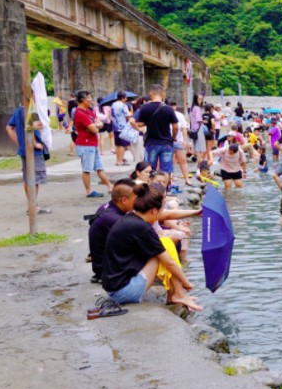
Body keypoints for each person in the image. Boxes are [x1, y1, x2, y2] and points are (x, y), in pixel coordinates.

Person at [101, 183, 202, 311]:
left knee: (163, 245)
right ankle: (178, 295)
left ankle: (176, 295)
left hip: (114, 287)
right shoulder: (142, 227)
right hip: (124, 292)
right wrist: (186, 282)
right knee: (164, 249)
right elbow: (169, 263)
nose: (161, 215)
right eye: (160, 211)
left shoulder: (131, 219)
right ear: (154, 210)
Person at [87, 179, 136, 284]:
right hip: (108, 272)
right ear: (124, 200)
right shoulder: (114, 218)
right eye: (136, 199)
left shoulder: (107, 207)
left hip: (103, 265)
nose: (138, 202)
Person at [6, 100, 50, 213]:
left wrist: (20, 144)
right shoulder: (31, 109)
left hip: (24, 150)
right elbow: (30, 126)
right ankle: (33, 206)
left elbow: (9, 128)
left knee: (28, 178)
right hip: (34, 151)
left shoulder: (19, 110)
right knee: (34, 179)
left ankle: (32, 205)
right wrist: (34, 143)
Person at [73, 90, 114, 198]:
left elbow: (98, 123)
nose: (91, 100)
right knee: (87, 169)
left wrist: (97, 125)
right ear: (83, 100)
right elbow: (95, 129)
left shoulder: (88, 111)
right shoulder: (80, 113)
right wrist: (96, 126)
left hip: (92, 143)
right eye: (89, 98)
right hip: (85, 144)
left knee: (99, 167)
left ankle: (110, 186)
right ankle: (89, 191)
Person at [131, 84, 177, 178]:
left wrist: (144, 125)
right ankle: (163, 191)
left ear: (151, 93)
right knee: (166, 170)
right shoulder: (168, 109)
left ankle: (151, 190)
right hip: (166, 142)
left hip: (151, 143)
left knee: (149, 169)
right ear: (163, 94)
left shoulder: (144, 108)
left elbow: (139, 123)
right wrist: (174, 137)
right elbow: (175, 126)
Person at [169, 99, 192, 187]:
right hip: (168, 141)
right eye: (171, 105)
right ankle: (171, 179)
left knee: (183, 160)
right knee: (169, 161)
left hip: (179, 140)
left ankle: (187, 179)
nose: (173, 107)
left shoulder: (180, 115)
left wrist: (185, 140)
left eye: (174, 105)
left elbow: (184, 128)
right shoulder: (165, 114)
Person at [111, 91, 132, 166]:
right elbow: (127, 116)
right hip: (123, 127)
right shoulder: (123, 105)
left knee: (117, 145)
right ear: (123, 98)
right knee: (123, 145)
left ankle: (117, 160)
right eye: (126, 97)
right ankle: (121, 161)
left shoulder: (113, 104)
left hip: (115, 126)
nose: (126, 99)